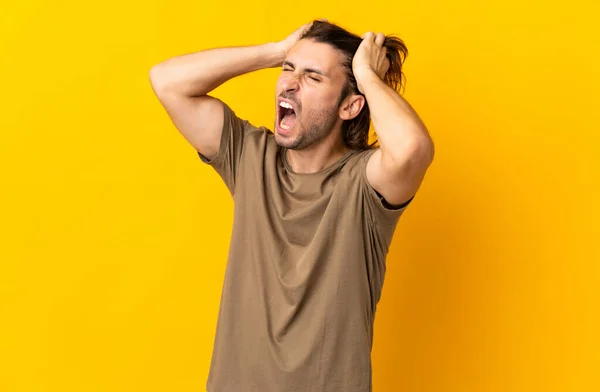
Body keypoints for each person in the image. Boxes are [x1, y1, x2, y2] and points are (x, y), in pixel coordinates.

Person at [149, 19, 434, 392]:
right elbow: (167, 82)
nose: (289, 82)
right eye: (288, 71)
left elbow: (413, 149)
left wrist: (365, 73)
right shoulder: (250, 155)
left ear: (351, 104)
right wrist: (277, 51)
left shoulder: (365, 184)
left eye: (313, 77)